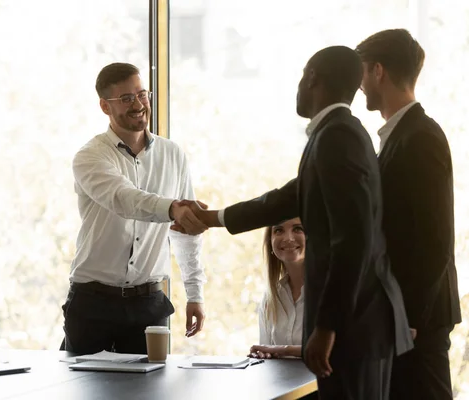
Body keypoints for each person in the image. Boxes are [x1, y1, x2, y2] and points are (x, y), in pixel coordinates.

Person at [173, 46, 413, 399]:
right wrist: (211, 218)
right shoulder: (336, 133)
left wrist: (326, 328)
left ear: (311, 77)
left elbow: (353, 240)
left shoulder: (337, 137)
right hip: (360, 322)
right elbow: (286, 198)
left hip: (354, 326)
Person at [62, 62, 207, 355]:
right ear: (105, 106)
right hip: (93, 303)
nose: (138, 104)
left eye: (142, 94)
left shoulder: (172, 154)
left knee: (152, 393)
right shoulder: (89, 157)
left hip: (149, 304)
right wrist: (173, 208)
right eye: (126, 98)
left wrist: (195, 293)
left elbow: (185, 231)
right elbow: (124, 198)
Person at [356, 29, 461, 400]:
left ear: (378, 71)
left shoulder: (421, 137)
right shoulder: (399, 137)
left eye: (362, 74)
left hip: (419, 319)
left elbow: (436, 240)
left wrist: (410, 315)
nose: (359, 86)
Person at [249, 218, 305, 360]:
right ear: (270, 242)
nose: (288, 238)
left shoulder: (334, 290)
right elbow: (267, 351)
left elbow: (346, 350)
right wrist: (262, 353)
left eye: (298, 229)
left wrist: (285, 350)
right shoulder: (270, 300)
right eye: (279, 230)